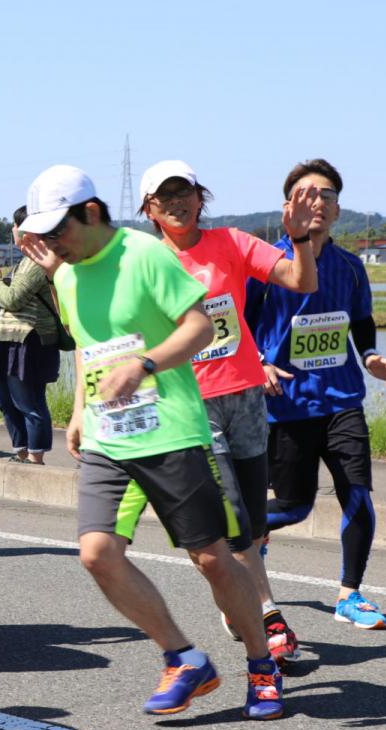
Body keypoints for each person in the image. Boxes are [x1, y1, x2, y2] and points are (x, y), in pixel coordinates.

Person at [19, 164, 283, 720]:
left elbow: (200, 327)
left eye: (57, 230)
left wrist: (145, 365)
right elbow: (91, 349)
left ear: (91, 213)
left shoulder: (145, 254)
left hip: (171, 430)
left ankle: (262, 665)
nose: (51, 243)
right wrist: (78, 412)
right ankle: (184, 658)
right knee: (97, 554)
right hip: (108, 436)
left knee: (212, 559)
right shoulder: (63, 276)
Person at [139, 159, 319, 665]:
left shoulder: (233, 244)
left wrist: (299, 239)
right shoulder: (145, 262)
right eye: (164, 197)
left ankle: (236, 600)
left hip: (245, 398)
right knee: (233, 525)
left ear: (201, 197)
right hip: (189, 405)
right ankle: (266, 613)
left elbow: (300, 283)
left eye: (185, 192)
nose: (177, 203)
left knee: (254, 529)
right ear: (149, 208)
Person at [247, 159, 386, 630]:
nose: (318, 202)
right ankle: (245, 538)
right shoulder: (264, 262)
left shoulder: (351, 267)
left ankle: (349, 595)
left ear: (338, 210)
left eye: (328, 195)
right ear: (287, 206)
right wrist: (257, 363)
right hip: (285, 405)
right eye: (308, 194)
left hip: (342, 399)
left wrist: (372, 355)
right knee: (295, 507)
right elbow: (236, 324)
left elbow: (361, 322)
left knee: (358, 495)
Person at [0, 206, 70, 465]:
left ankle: (35, 456)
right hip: (12, 341)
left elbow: (13, 298)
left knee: (28, 399)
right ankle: (21, 451)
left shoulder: (38, 260)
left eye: (15, 227)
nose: (12, 232)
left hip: (30, 341)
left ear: (27, 231)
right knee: (5, 399)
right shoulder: (26, 260)